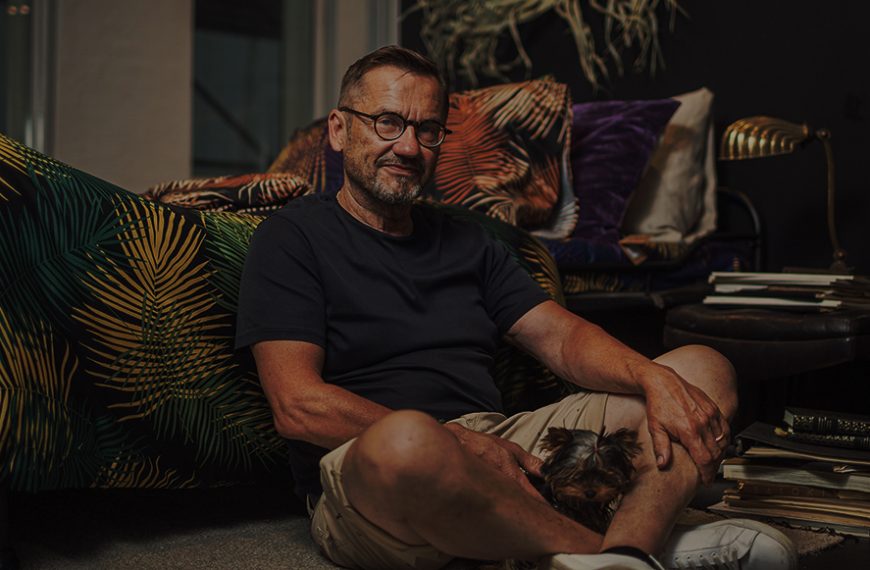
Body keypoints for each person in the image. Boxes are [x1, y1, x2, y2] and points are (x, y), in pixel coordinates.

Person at [236, 46, 797, 570]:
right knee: (409, 441)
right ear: (339, 130)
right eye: (387, 122)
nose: (408, 147)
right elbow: (298, 406)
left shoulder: (468, 240)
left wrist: (652, 377)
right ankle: (610, 553)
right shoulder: (290, 238)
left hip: (503, 442)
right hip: (373, 465)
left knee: (702, 370)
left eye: (427, 130)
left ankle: (627, 548)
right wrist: (457, 442)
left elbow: (561, 338)